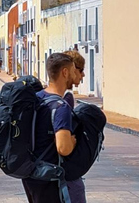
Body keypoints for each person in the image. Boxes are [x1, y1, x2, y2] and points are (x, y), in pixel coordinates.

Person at [22, 53, 77, 203]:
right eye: (73, 71)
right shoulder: (61, 107)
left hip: (30, 172)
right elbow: (63, 148)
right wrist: (72, 141)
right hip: (48, 175)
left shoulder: (37, 97)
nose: (75, 74)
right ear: (64, 72)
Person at [63, 50, 87, 203]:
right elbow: (64, 145)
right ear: (71, 70)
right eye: (80, 70)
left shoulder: (43, 96)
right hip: (65, 175)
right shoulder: (65, 99)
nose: (83, 75)